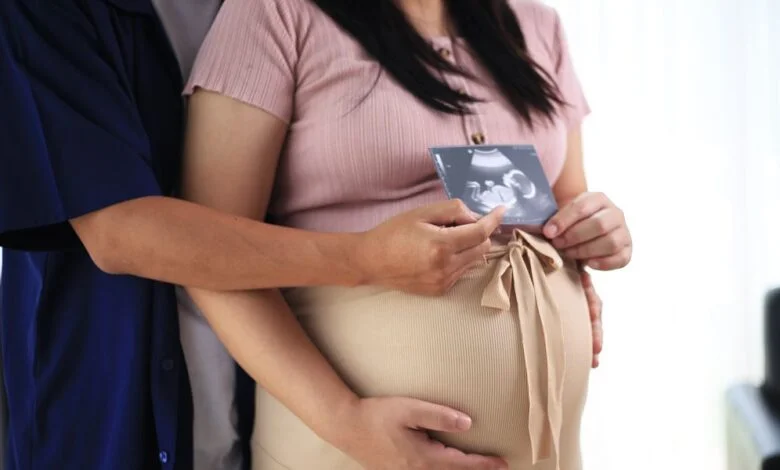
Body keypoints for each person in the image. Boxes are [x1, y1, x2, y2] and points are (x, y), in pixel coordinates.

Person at [0, 1, 515, 469]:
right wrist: (365, 260)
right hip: (112, 391)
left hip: (279, 398)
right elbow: (119, 231)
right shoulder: (51, 12)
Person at [181, 0, 629, 469]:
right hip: (346, 450)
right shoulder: (274, 13)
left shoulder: (536, 24)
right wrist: (347, 422)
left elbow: (567, 198)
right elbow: (206, 252)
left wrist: (597, 229)